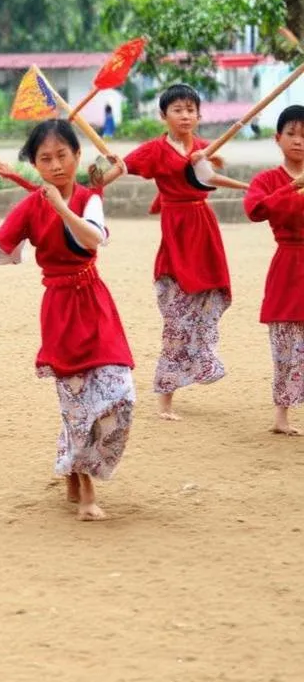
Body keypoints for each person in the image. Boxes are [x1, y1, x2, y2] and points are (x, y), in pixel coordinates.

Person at [0, 119, 135, 521]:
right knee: (77, 405)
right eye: (45, 158)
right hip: (60, 308)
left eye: (63, 155)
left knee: (120, 395)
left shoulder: (88, 198)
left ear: (78, 156)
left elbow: (94, 239)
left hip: (96, 302)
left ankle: (74, 466)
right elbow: (1, 240)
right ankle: (85, 491)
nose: (56, 164)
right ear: (36, 165)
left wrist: (62, 208)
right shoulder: (30, 205)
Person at [102, 83, 249, 420]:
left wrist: (245, 184)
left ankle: (202, 359)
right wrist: (104, 166)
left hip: (204, 228)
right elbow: (110, 174)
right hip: (176, 231)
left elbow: (210, 175)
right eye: (178, 110)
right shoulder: (153, 150)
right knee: (175, 314)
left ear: (198, 115)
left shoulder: (201, 147)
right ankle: (165, 397)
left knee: (208, 299)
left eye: (191, 110)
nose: (186, 116)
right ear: (163, 115)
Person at [243, 104, 304, 435]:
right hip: (288, 265)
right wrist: (292, 187)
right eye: (292, 134)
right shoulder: (267, 179)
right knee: (286, 343)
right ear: (277, 138)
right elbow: (255, 210)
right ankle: (282, 416)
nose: (299, 141)